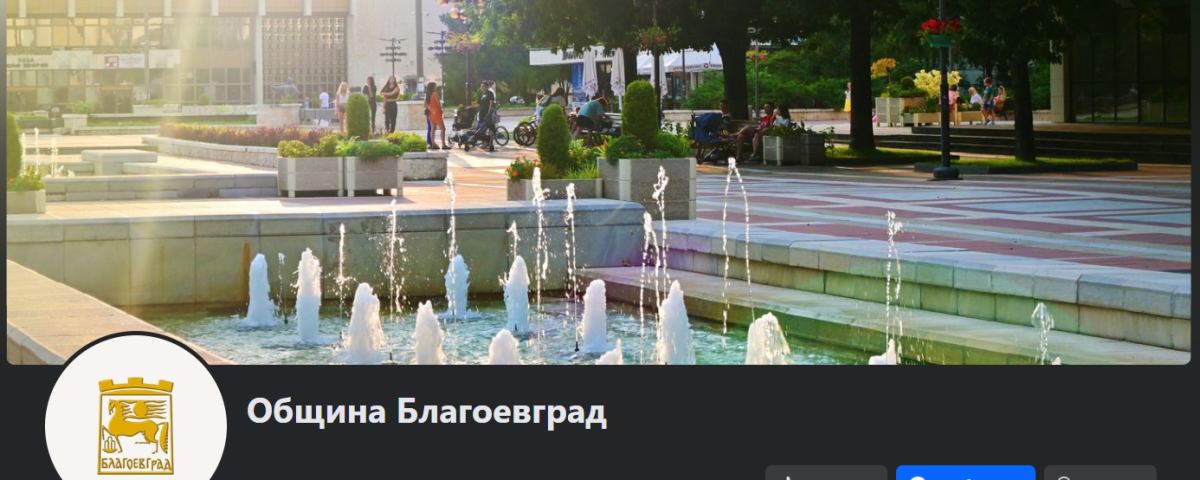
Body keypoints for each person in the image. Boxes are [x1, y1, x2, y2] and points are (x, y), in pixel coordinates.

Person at [469, 81, 497, 152]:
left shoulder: (489, 93)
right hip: (481, 114)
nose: (482, 87)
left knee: (490, 128)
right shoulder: (481, 95)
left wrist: (489, 112)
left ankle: (490, 142)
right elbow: (479, 104)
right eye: (481, 86)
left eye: (483, 86)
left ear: (487, 86)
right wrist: (472, 107)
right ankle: (483, 142)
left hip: (488, 114)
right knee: (481, 128)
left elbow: (491, 103)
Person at [425, 82, 447, 150]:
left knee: (433, 128)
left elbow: (425, 105)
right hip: (436, 113)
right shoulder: (435, 94)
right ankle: (443, 144)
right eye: (435, 86)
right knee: (443, 128)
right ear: (433, 87)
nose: (436, 87)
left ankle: (433, 143)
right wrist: (441, 111)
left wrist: (430, 108)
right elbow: (438, 104)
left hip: (431, 113)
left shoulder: (428, 96)